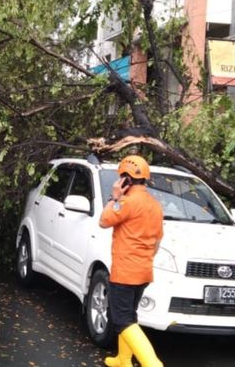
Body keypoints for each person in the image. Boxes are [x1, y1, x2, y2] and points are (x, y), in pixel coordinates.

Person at [99, 155, 164, 367]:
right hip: (143, 271)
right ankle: (123, 359)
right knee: (130, 315)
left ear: (125, 179)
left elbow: (104, 220)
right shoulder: (154, 205)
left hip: (125, 271)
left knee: (122, 320)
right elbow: (157, 240)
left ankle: (152, 364)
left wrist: (115, 197)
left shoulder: (126, 202)